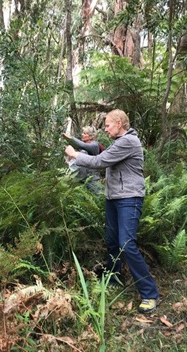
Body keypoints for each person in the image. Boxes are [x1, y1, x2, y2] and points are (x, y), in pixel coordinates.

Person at [65, 109, 159, 314]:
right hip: (114, 198)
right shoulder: (118, 143)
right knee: (112, 239)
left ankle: (149, 293)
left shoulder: (128, 142)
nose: (105, 129)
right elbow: (103, 157)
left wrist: (75, 155)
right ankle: (114, 278)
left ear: (119, 123)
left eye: (107, 125)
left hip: (129, 198)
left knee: (126, 243)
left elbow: (100, 162)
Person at [62, 126, 103, 194]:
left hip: (92, 179)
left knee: (96, 199)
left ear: (90, 136)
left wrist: (71, 138)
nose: (82, 134)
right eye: (82, 133)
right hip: (84, 179)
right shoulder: (84, 149)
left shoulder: (94, 145)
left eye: (85, 133)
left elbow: (82, 145)